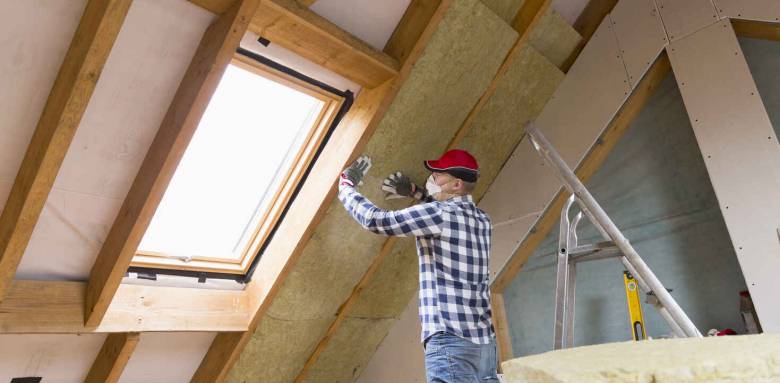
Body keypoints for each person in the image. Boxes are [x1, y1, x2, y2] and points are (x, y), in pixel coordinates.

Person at [337, 149, 498, 383]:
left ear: (456, 184)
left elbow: (376, 221)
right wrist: (416, 193)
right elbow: (445, 219)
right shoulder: (483, 220)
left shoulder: (438, 214)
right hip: (484, 346)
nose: (432, 178)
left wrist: (346, 188)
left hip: (450, 340)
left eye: (438, 175)